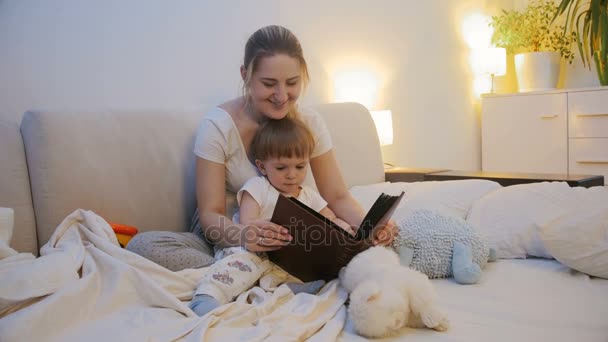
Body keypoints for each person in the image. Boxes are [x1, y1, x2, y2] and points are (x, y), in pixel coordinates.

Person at [126, 25, 396, 273]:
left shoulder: (309, 123)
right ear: (246, 75)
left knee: (385, 246)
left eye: (292, 83)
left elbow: (337, 196)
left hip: (290, 239)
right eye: (269, 84)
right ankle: (243, 271)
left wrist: (369, 228)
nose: (281, 96)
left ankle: (251, 273)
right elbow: (210, 214)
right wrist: (244, 235)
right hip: (226, 235)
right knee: (143, 246)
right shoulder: (218, 126)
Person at [189, 116, 355, 316]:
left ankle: (289, 290)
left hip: (288, 257)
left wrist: (348, 231)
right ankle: (209, 294)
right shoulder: (258, 188)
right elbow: (247, 222)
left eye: (300, 167)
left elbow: (331, 220)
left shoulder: (308, 195)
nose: (292, 175)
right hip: (254, 249)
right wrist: (260, 232)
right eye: (281, 167)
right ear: (261, 166)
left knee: (311, 269)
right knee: (241, 265)